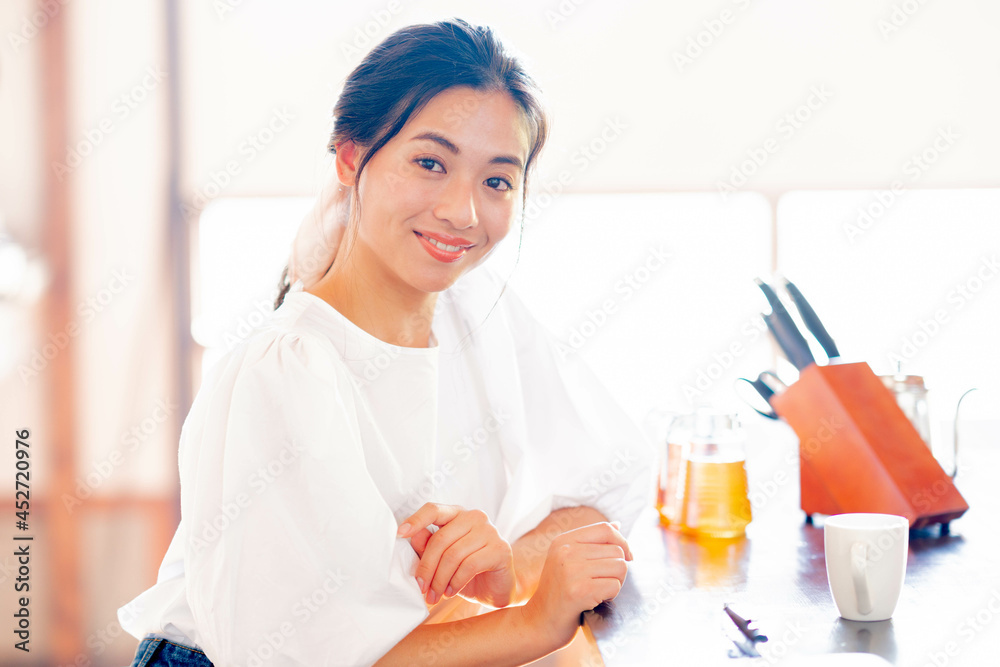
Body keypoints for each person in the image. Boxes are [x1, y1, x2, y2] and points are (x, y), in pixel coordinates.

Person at [118, 18, 653, 666]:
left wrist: (507, 565)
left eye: (497, 181)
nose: (462, 212)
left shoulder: (481, 310)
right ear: (351, 157)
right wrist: (534, 620)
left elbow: (601, 503)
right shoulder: (284, 371)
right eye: (430, 163)